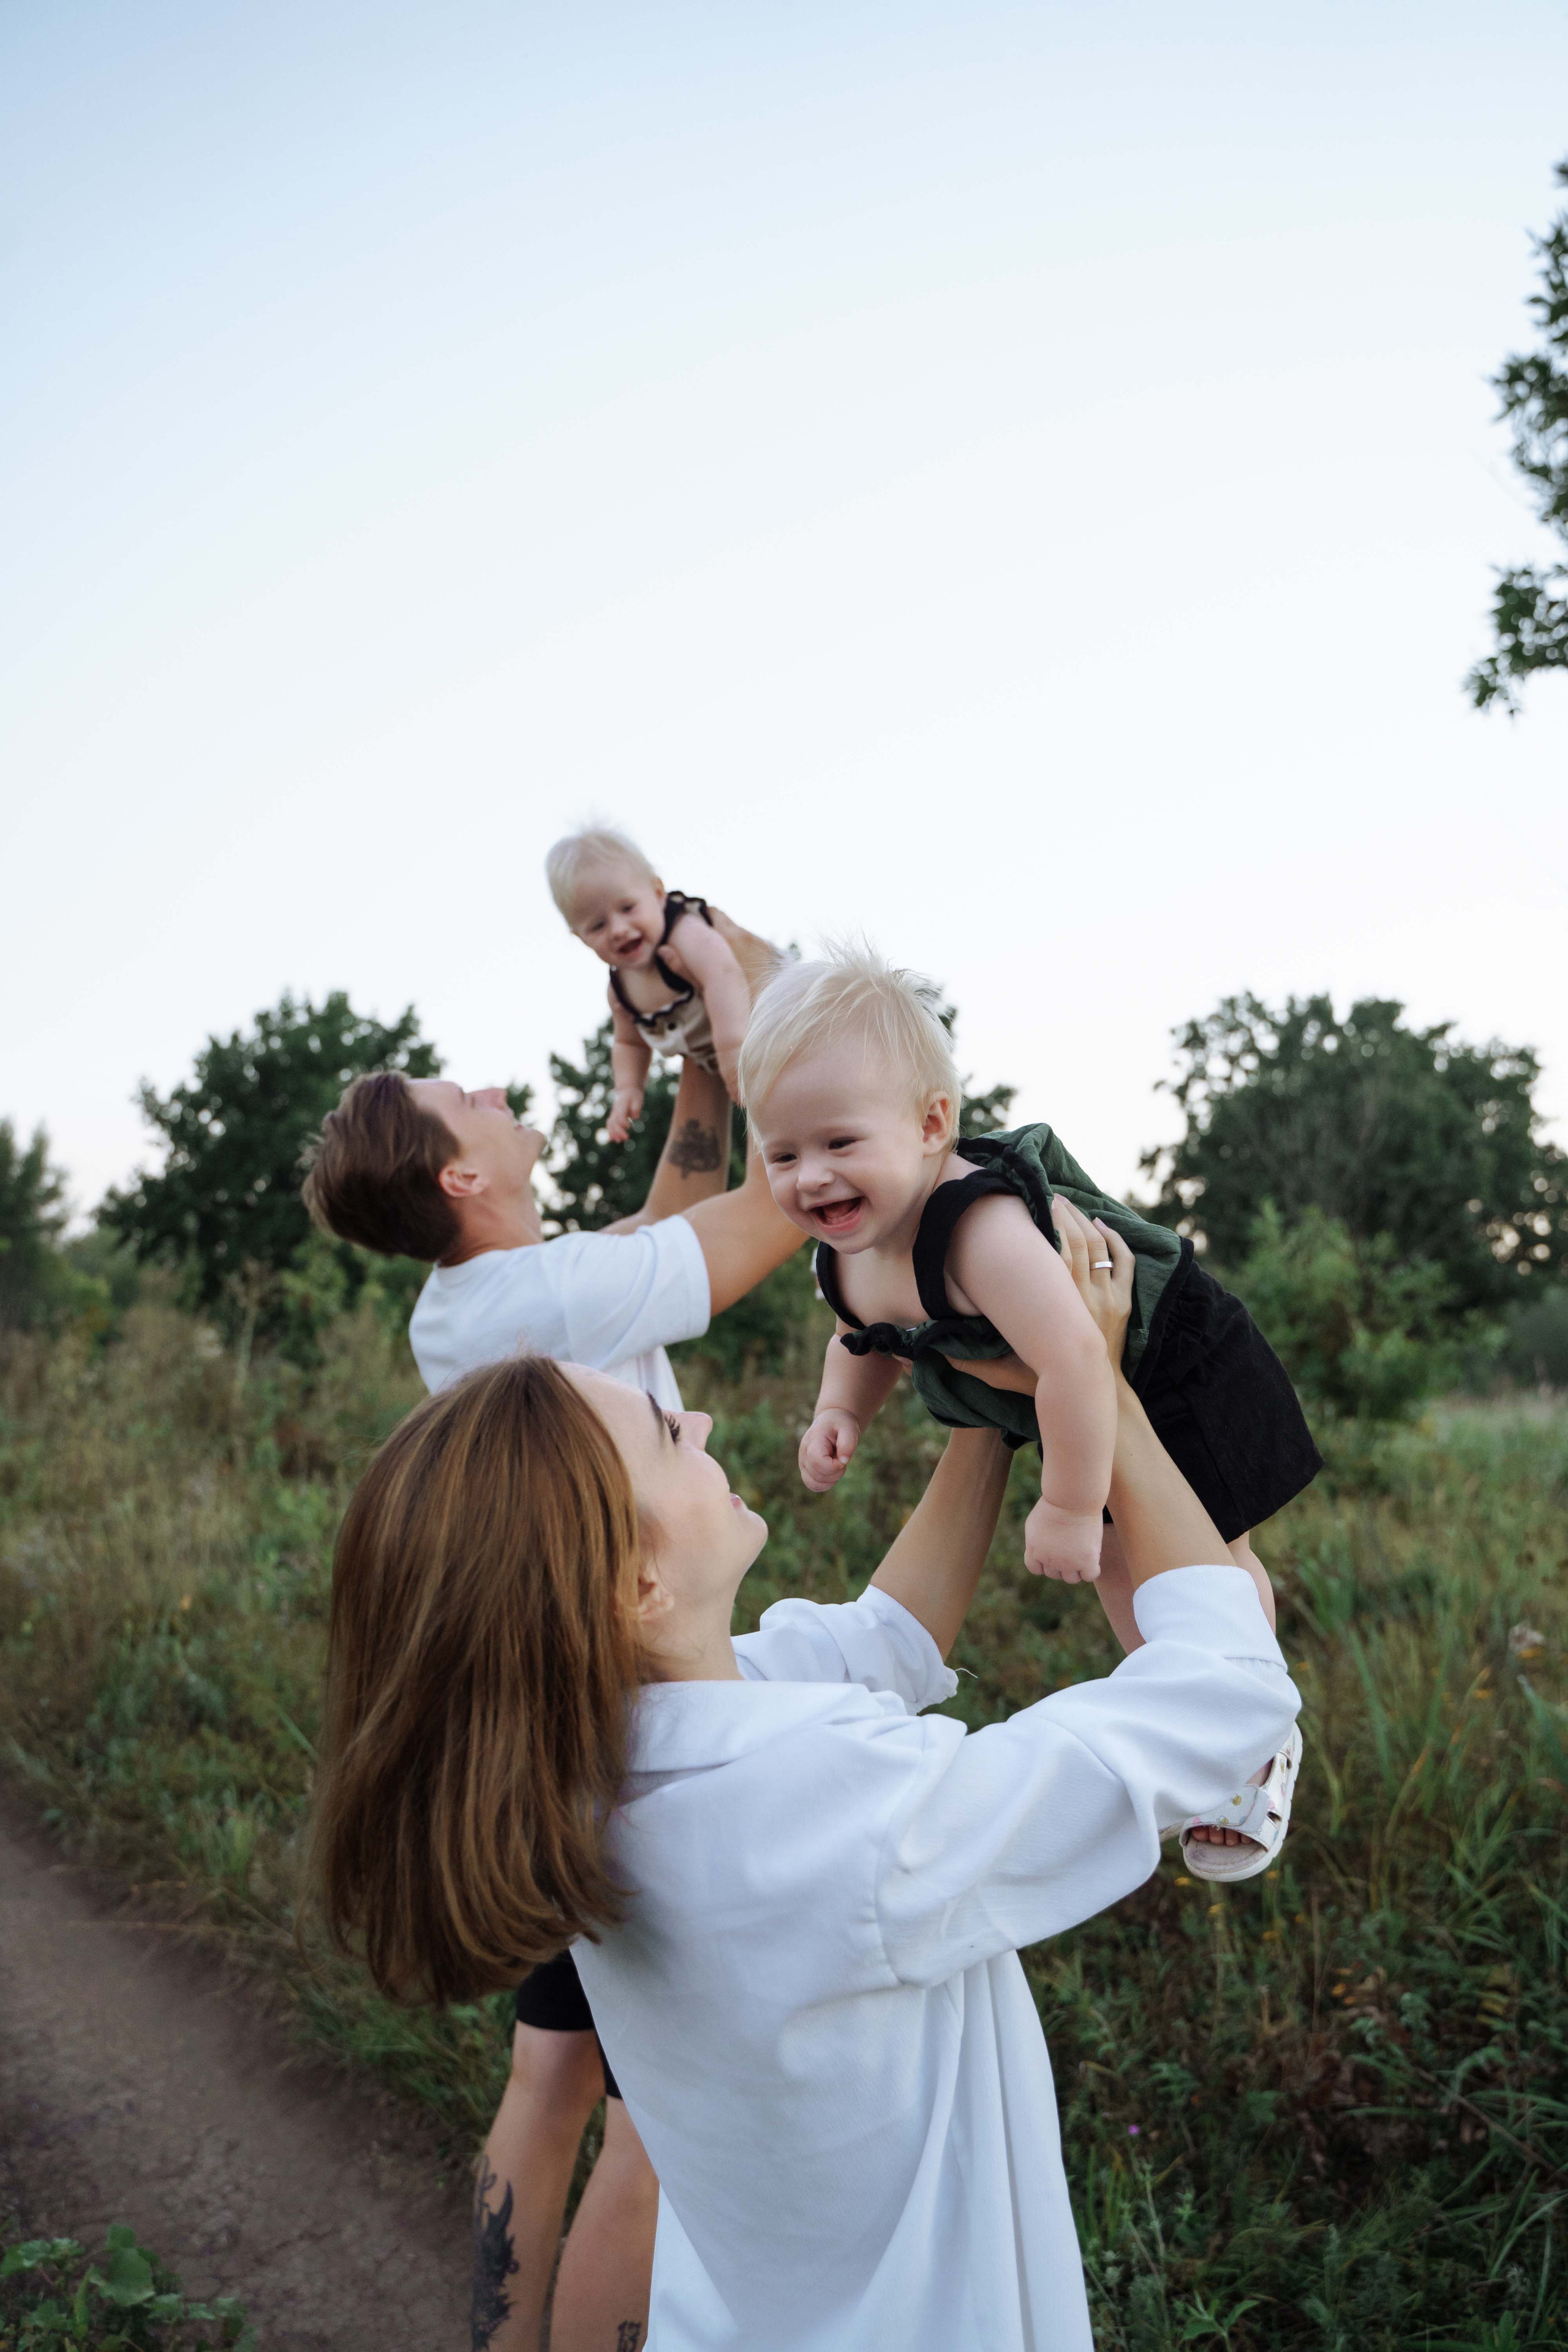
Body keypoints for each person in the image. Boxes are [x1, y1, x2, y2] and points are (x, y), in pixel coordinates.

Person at [307, 1204, 1302, 2351]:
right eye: (669, 1436)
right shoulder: (833, 1815)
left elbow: (883, 1640)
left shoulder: (594, 1751)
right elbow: (1230, 1690)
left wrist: (995, 1400)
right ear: (634, 1588)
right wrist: (1108, 1390)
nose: (705, 1416)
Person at [301, 1055, 801, 2352]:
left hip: (554, 1715)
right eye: (459, 1098)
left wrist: (693, 1061)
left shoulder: (484, 1303)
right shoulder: (541, 1297)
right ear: (457, 1176)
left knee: (551, 2076)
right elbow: (767, 1209)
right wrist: (725, 983)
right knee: (651, 2127)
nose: (488, 1085)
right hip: (636, 1723)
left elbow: (671, 1220)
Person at [736, 945, 1319, 1881]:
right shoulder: (843, 1250)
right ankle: (1205, 1719)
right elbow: (858, 1332)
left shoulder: (978, 1229)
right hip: (1072, 1396)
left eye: (840, 1144)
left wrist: (1069, 1503)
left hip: (1172, 1365)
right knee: (1125, 1576)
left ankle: (1259, 1727)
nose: (811, 1178)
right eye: (783, 1153)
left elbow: (1079, 1353)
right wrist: (837, 1411)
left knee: (1207, 1556)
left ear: (932, 1126)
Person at [545, 826, 782, 1155]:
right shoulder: (620, 990)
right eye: (597, 926)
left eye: (628, 908)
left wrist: (732, 1051)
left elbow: (723, 976)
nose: (618, 929)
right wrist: (628, 1088)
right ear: (580, 937)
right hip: (722, 1064)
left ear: (658, 893)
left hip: (775, 1026)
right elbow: (628, 1042)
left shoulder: (686, 933)